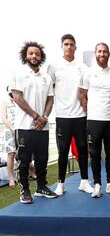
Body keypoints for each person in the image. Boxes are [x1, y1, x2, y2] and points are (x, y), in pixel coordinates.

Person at [10, 41, 58, 204]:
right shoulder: (19, 73)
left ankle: (41, 187)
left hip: (42, 127)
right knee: (23, 161)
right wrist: (37, 116)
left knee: (42, 159)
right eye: (31, 53)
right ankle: (24, 190)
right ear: (25, 55)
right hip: (24, 126)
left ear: (41, 57)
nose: (34, 56)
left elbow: (50, 100)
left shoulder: (46, 77)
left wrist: (44, 117)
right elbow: (17, 97)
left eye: (37, 54)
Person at [47, 34, 94, 195]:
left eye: (71, 44)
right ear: (62, 46)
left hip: (80, 116)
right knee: (63, 151)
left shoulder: (83, 67)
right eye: (66, 44)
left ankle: (85, 182)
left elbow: (86, 92)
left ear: (75, 47)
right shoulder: (53, 66)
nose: (68, 47)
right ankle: (60, 184)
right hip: (62, 116)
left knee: (82, 148)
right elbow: (49, 89)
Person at [79, 42, 110, 198]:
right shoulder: (88, 73)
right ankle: (97, 184)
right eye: (99, 51)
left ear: (109, 54)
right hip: (94, 121)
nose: (102, 54)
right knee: (94, 154)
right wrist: (89, 112)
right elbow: (82, 95)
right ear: (94, 53)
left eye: (105, 51)